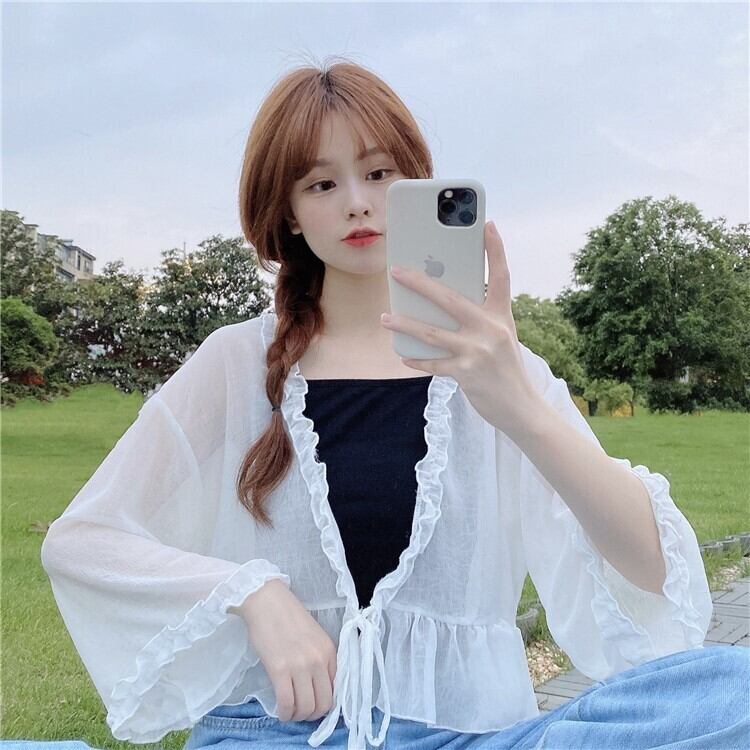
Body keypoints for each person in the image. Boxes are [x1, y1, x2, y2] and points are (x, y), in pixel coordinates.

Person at [39, 57, 748, 750]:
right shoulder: (237, 362)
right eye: (321, 183)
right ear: (289, 214)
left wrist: (520, 409)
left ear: (417, 184)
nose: (357, 201)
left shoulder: (494, 364)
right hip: (280, 734)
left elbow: (653, 572)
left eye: (379, 174)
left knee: (730, 691)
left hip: (470, 735)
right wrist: (248, 592)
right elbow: (83, 540)